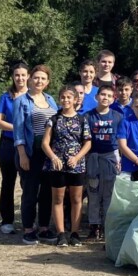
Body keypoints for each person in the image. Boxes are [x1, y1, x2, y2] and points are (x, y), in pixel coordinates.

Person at [12, 65, 59, 245]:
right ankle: (28, 229)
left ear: (47, 82)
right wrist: (22, 155)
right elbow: (18, 131)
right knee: (30, 192)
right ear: (30, 79)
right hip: (31, 152)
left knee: (46, 192)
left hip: (48, 153)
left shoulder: (51, 100)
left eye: (43, 79)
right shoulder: (21, 101)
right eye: (36, 78)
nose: (39, 81)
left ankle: (44, 227)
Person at [42, 85, 92, 247]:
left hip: (76, 166)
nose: (66, 100)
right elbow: (45, 143)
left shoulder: (82, 120)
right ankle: (61, 234)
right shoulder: (53, 120)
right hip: (57, 166)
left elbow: (87, 143)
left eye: (69, 97)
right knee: (58, 199)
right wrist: (53, 157)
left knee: (76, 199)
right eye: (63, 97)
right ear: (59, 99)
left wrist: (77, 157)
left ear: (76, 99)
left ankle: (75, 233)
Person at [0, 61, 28, 234]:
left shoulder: (34, 96)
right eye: (17, 75)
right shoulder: (6, 97)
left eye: (23, 75)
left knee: (27, 184)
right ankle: (7, 220)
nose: (20, 78)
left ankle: (28, 220)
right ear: (13, 77)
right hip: (8, 144)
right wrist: (16, 127)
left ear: (28, 76)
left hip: (27, 144)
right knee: (8, 182)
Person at [85, 83, 122, 242]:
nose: (105, 98)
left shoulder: (117, 116)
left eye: (109, 95)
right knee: (93, 192)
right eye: (102, 95)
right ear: (96, 96)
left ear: (113, 98)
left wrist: (120, 158)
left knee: (109, 193)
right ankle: (94, 225)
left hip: (110, 156)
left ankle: (108, 225)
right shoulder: (88, 116)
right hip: (93, 156)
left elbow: (121, 140)